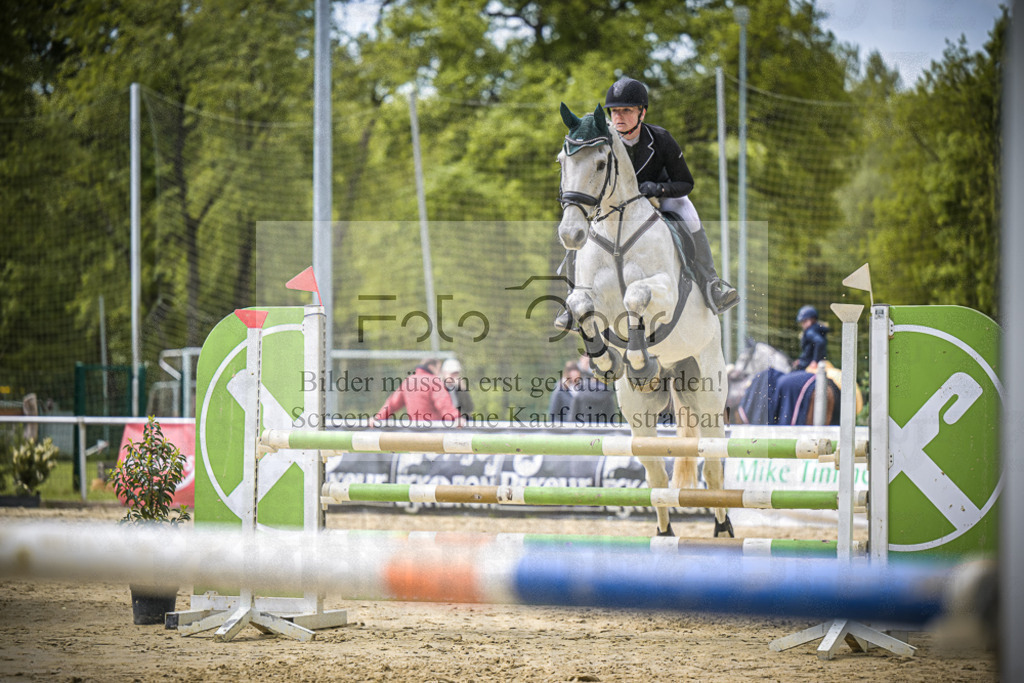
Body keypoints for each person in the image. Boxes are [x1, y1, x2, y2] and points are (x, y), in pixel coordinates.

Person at [555, 76, 738, 330]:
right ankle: (573, 298)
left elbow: (686, 182)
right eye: (615, 111)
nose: (619, 117)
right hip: (617, 205)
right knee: (578, 224)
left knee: (689, 212)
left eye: (627, 110)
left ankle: (711, 282)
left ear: (642, 112)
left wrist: (658, 187)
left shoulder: (661, 139)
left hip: (659, 198)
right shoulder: (604, 140)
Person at [374, 358, 460, 425]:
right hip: (434, 431)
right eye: (438, 369)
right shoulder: (434, 381)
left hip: (414, 431)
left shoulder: (408, 381)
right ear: (431, 367)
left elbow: (392, 403)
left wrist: (378, 417)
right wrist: (456, 418)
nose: (439, 372)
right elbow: (443, 404)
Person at [571, 355, 620, 425]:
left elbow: (572, 420)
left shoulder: (580, 394)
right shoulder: (607, 395)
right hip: (603, 433)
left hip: (582, 433)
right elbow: (612, 420)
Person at [792, 305, 829, 371]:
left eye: (804, 321)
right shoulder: (818, 328)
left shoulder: (810, 332)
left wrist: (815, 361)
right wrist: (801, 359)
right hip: (818, 360)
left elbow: (819, 342)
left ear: (810, 320)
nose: (802, 324)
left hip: (809, 363)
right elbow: (809, 349)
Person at [441, 358, 475, 423]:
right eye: (452, 374)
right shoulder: (439, 388)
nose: (454, 376)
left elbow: (469, 408)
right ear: (444, 373)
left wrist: (463, 390)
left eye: (456, 374)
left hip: (460, 421)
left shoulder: (459, 388)